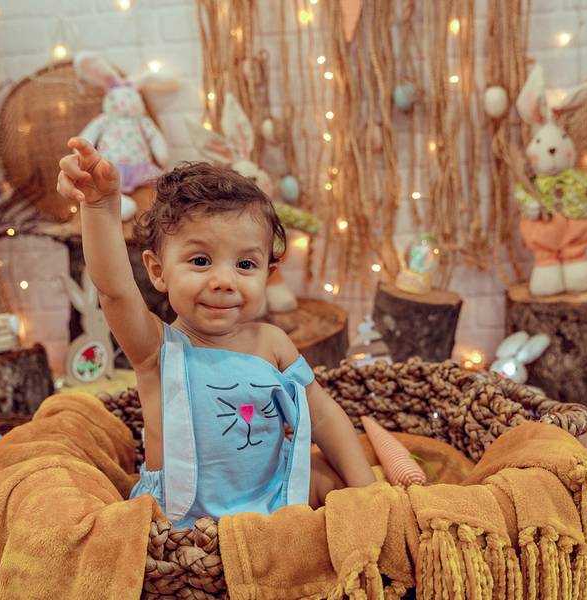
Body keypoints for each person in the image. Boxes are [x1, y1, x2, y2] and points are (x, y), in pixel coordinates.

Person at [57, 138, 375, 527]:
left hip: (273, 495)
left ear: (267, 274)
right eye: (201, 260)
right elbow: (114, 290)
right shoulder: (158, 348)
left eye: (245, 264)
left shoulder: (271, 343)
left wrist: (368, 492)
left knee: (331, 472)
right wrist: (98, 206)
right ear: (158, 271)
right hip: (187, 518)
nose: (224, 281)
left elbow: (324, 417)